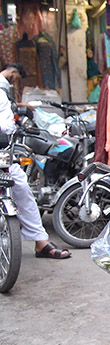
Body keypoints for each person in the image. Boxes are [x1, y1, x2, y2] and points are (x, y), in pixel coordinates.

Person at [0, 85, 72, 259]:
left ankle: (41, 243)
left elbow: (7, 124)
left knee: (22, 188)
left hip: (2, 152)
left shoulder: (0, 94)